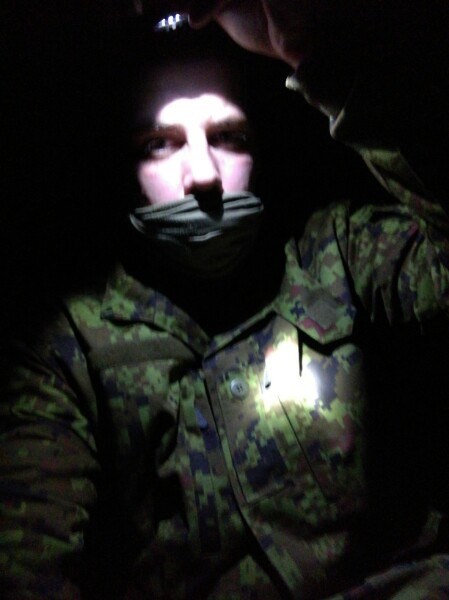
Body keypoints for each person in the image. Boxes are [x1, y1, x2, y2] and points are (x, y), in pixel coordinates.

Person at [1, 1, 449, 598]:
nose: (204, 175)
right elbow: (28, 554)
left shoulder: (338, 252)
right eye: (161, 144)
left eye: (227, 137)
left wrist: (321, 56)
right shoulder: (69, 350)